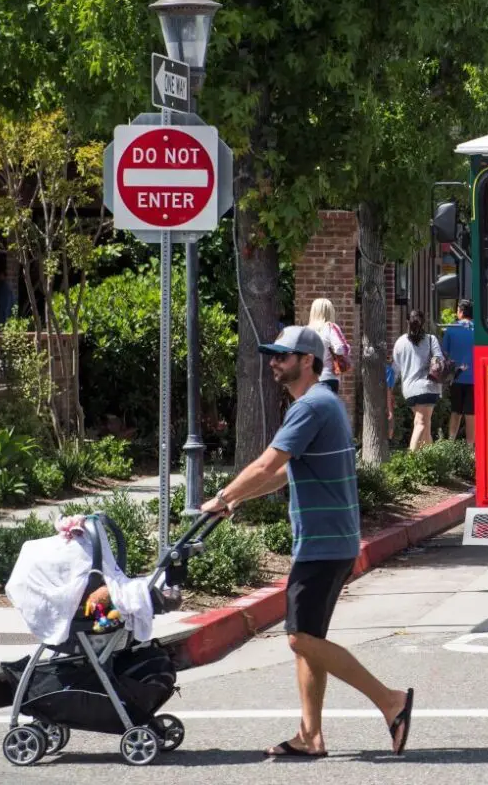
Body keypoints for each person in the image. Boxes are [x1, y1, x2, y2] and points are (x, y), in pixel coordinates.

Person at [202, 325, 413, 758]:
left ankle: (390, 700)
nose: (275, 361)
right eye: (274, 354)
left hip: (324, 543)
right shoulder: (320, 404)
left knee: (300, 638)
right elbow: (283, 474)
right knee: (309, 638)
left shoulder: (311, 406)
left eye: (283, 354)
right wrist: (235, 502)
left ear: (308, 361)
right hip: (328, 539)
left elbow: (266, 463)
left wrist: (223, 495)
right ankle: (311, 736)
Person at [392, 310, 443, 452]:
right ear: (423, 322)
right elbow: (439, 359)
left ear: (407, 322)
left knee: (425, 424)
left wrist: (389, 391)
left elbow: (395, 369)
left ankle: (431, 459)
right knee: (421, 423)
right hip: (427, 387)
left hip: (408, 390)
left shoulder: (400, 342)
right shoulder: (431, 339)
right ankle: (410, 462)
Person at [442, 300, 475, 443]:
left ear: (460, 312)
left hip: (456, 377)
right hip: (475, 378)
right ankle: (470, 448)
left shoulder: (451, 329)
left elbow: (444, 353)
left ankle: (450, 443)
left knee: (455, 412)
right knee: (471, 414)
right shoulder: (478, 330)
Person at [307, 298, 351, 394]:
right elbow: (340, 348)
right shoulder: (329, 327)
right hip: (327, 378)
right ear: (330, 311)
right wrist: (347, 348)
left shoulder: (306, 331)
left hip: (308, 381)